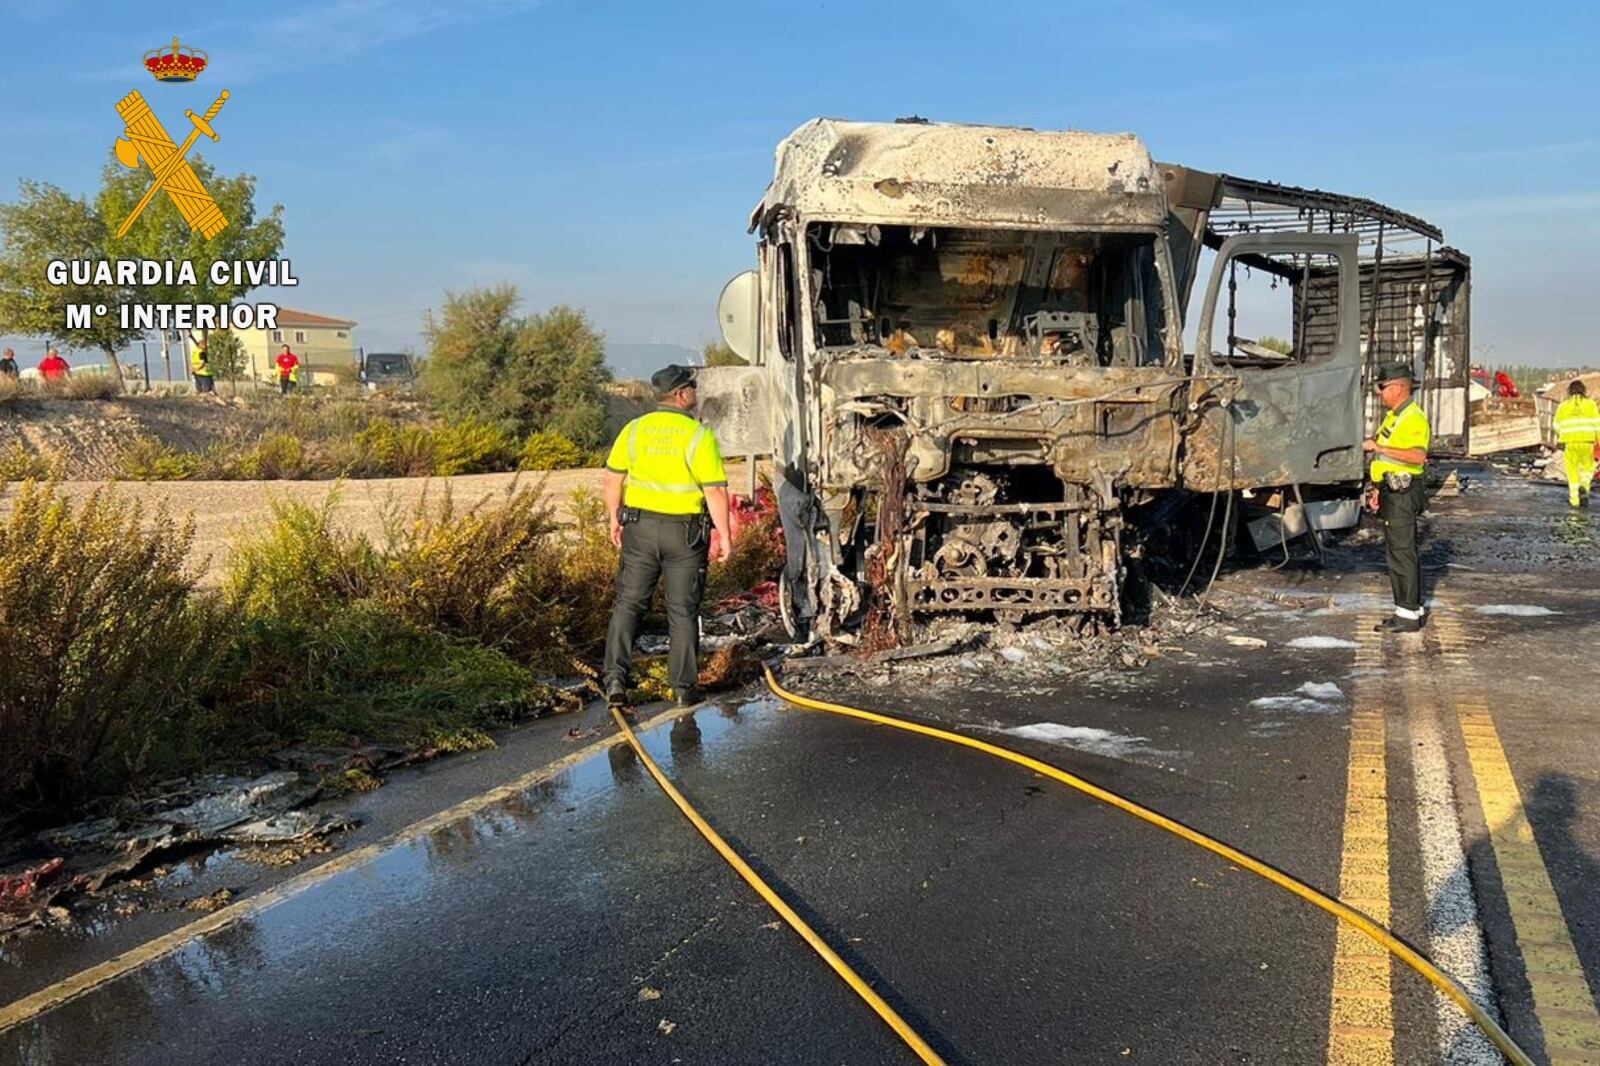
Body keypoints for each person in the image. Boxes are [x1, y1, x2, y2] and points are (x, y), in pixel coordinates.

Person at [602, 365, 733, 711]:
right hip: (685, 536)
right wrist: (725, 534)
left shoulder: (633, 430)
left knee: (629, 604)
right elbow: (716, 492)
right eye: (692, 387)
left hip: (640, 532)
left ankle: (615, 680)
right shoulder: (697, 436)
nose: (695, 392)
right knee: (682, 611)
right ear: (680, 395)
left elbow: (612, 481)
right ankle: (683, 689)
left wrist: (614, 519)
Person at [1363, 361, 1431, 633]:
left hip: (1403, 493)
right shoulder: (1394, 416)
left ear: (1400, 387)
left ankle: (1407, 614)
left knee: (1402, 553)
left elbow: (1418, 455)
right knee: (1397, 551)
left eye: (1382, 386)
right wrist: (1377, 489)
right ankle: (1409, 606)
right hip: (1392, 491)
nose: (1379, 392)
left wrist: (1379, 446)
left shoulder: (1413, 417)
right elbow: (1385, 458)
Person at [1551, 379, 1600, 508]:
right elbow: (1597, 425)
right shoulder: (1591, 405)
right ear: (1584, 390)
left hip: (1570, 443)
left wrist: (1562, 436)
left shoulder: (1563, 406)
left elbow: (1556, 425)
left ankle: (1574, 501)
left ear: (1569, 391)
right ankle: (1584, 487)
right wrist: (1599, 441)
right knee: (1587, 469)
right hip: (1587, 442)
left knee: (1572, 472)